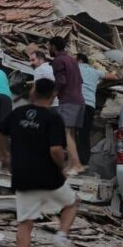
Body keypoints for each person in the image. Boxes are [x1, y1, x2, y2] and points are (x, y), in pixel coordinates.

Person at [0, 78, 80, 247]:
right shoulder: (54, 118)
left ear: (33, 93)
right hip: (50, 178)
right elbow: (56, 150)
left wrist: (4, 157)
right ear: (53, 96)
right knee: (72, 204)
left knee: (25, 224)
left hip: (24, 178)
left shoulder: (18, 113)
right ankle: (60, 238)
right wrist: (62, 166)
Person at [49, 36, 84, 174]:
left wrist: (52, 96)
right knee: (71, 134)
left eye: (49, 46)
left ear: (53, 46)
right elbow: (80, 80)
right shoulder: (73, 60)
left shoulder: (58, 60)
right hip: (80, 101)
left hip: (68, 101)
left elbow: (61, 81)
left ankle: (76, 165)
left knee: (65, 133)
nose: (49, 49)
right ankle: (71, 165)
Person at [76, 53, 118, 165]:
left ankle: (73, 160)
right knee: (84, 133)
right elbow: (113, 77)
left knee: (72, 132)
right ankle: (84, 161)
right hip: (90, 105)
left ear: (79, 60)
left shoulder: (75, 69)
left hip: (77, 104)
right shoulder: (94, 72)